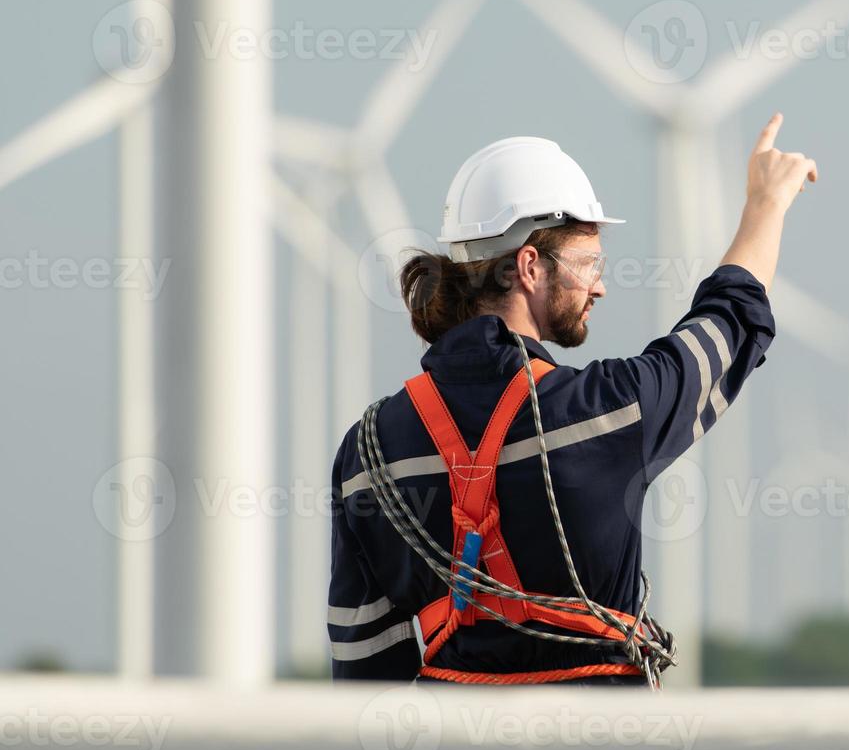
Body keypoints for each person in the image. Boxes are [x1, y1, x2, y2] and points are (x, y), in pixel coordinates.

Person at [327, 113, 817, 686]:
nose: (601, 285)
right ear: (530, 267)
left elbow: (363, 674)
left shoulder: (366, 455)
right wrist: (765, 206)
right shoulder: (606, 413)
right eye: (590, 263)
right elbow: (726, 330)